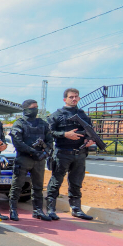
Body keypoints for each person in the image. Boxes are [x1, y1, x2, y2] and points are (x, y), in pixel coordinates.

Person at [45, 88, 94, 220]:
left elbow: (90, 132)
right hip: (62, 153)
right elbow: (48, 133)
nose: (74, 99)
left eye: (76, 96)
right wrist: (65, 134)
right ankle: (50, 209)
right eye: (71, 97)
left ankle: (76, 209)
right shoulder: (56, 115)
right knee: (56, 182)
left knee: (76, 183)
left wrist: (89, 140)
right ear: (65, 99)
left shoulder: (83, 115)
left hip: (80, 154)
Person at [8, 99, 53, 221]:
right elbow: (17, 142)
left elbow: (50, 140)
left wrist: (45, 152)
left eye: (36, 107)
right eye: (33, 108)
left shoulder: (42, 124)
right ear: (25, 109)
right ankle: (13, 210)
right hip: (24, 158)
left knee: (38, 187)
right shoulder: (19, 123)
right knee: (17, 185)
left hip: (39, 160)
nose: (35, 110)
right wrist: (33, 151)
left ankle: (38, 210)